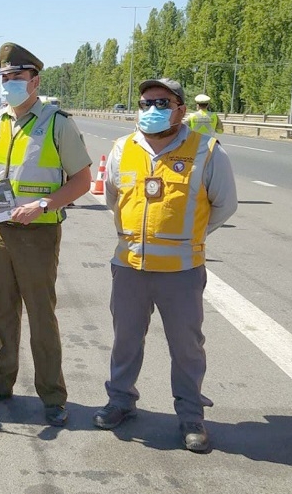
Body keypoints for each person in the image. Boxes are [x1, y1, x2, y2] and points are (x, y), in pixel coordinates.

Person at [93, 78, 237, 453]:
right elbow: (113, 199)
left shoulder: (206, 150)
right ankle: (120, 401)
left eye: (162, 102)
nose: (151, 109)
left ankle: (191, 415)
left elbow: (224, 206)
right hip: (129, 268)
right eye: (145, 103)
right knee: (125, 340)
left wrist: (187, 236)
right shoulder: (123, 149)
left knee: (187, 347)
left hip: (181, 273)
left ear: (181, 109)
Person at [0, 42, 93, 426]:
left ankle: (52, 396)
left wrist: (42, 205)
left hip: (37, 233)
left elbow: (83, 181)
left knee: (41, 315)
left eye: (17, 78)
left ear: (35, 81)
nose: (10, 84)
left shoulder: (57, 122)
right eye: (5, 78)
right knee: (1, 312)